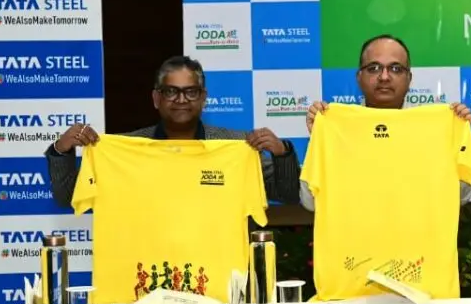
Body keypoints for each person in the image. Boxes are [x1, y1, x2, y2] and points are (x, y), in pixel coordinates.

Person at [46, 55, 301, 207]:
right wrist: (62, 149)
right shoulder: (126, 149)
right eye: (171, 91)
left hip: (219, 269)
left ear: (203, 98)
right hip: (148, 269)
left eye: (191, 92)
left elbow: (288, 194)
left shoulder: (236, 145)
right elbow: (68, 196)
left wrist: (282, 153)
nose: (181, 99)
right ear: (156, 99)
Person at [301, 34, 471, 210]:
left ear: (409, 78)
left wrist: (458, 144)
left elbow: (459, 197)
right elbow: (310, 202)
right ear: (359, 77)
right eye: (374, 68)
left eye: (396, 69)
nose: (384, 77)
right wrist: (318, 139)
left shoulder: (434, 131)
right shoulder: (338, 129)